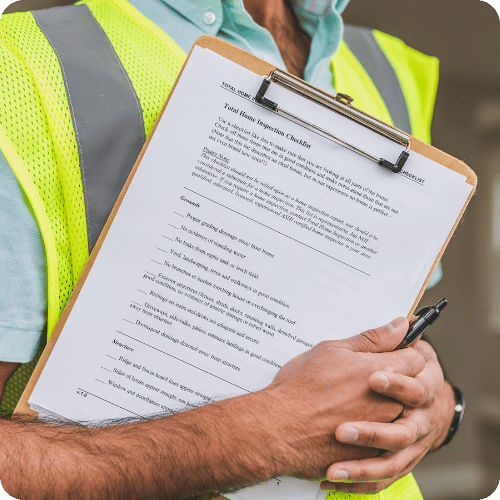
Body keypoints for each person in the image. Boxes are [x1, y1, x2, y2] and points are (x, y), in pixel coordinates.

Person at [0, 0, 458, 498]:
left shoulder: (384, 66)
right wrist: (266, 434)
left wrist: (438, 412)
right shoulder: (19, 66)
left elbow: (397, 335)